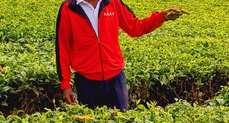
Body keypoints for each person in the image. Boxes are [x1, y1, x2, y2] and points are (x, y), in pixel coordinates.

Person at [55, 0, 187, 111]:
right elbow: (62, 48)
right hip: (85, 80)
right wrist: (65, 84)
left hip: (115, 77)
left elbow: (135, 27)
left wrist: (161, 17)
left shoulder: (113, 2)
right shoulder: (69, 8)